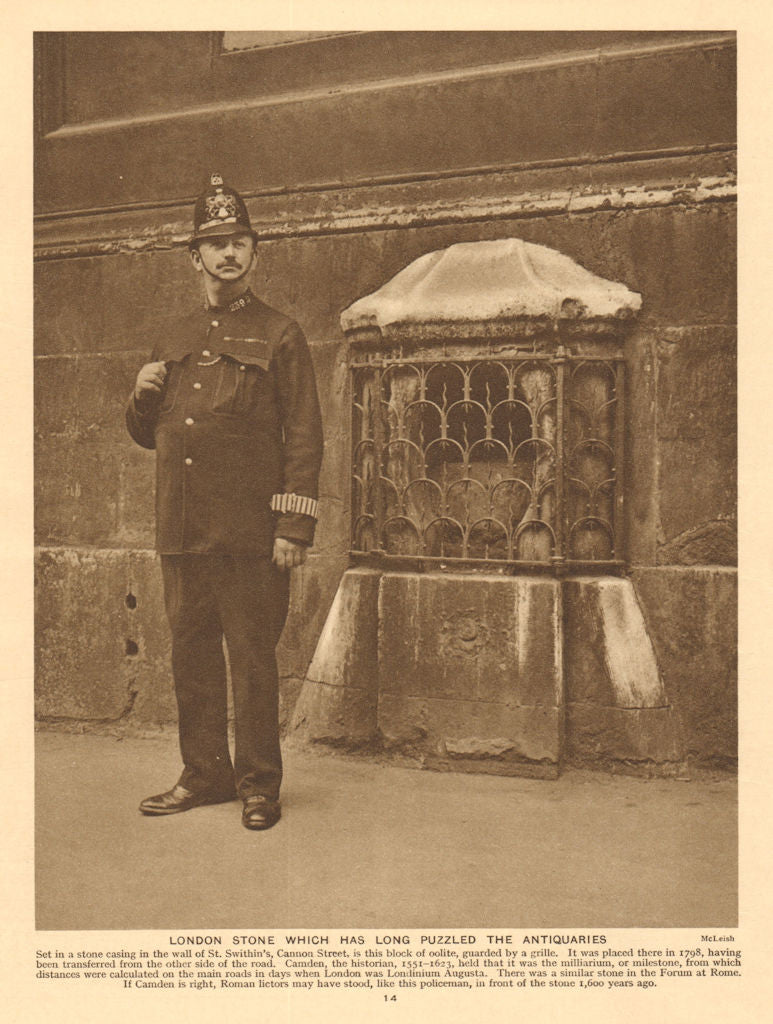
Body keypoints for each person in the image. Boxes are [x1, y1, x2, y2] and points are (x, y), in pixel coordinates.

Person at [126, 173, 323, 830]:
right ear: (195, 257)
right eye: (215, 243)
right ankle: (204, 774)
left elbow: (303, 432)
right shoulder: (172, 336)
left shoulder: (280, 334)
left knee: (251, 656)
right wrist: (141, 396)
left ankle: (259, 784)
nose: (228, 253)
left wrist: (293, 526)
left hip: (248, 531)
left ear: (254, 251)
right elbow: (147, 434)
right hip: (182, 528)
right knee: (191, 654)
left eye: (239, 241)